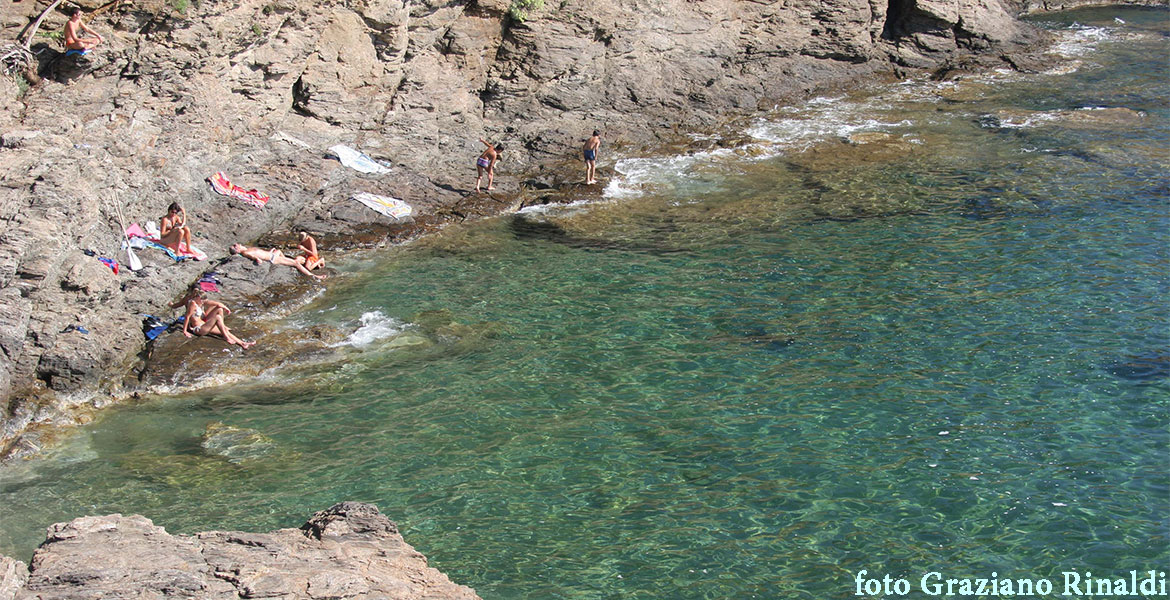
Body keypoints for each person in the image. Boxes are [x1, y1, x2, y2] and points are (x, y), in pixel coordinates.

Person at [181, 291, 254, 349]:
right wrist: (185, 331)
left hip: (204, 324)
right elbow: (187, 317)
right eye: (202, 300)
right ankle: (226, 338)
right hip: (199, 329)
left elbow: (216, 304)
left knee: (224, 330)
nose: (203, 302)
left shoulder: (198, 302)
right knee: (218, 317)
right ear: (197, 298)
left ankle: (242, 343)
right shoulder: (192, 304)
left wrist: (225, 308)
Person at [230, 243, 326, 280]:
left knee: (279, 251)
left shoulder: (248, 249)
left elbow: (260, 253)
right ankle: (314, 276)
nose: (238, 244)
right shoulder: (246, 252)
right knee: (296, 263)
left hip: (272, 255)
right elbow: (252, 256)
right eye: (236, 246)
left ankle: (293, 261)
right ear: (237, 250)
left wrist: (270, 251)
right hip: (273, 259)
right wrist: (257, 259)